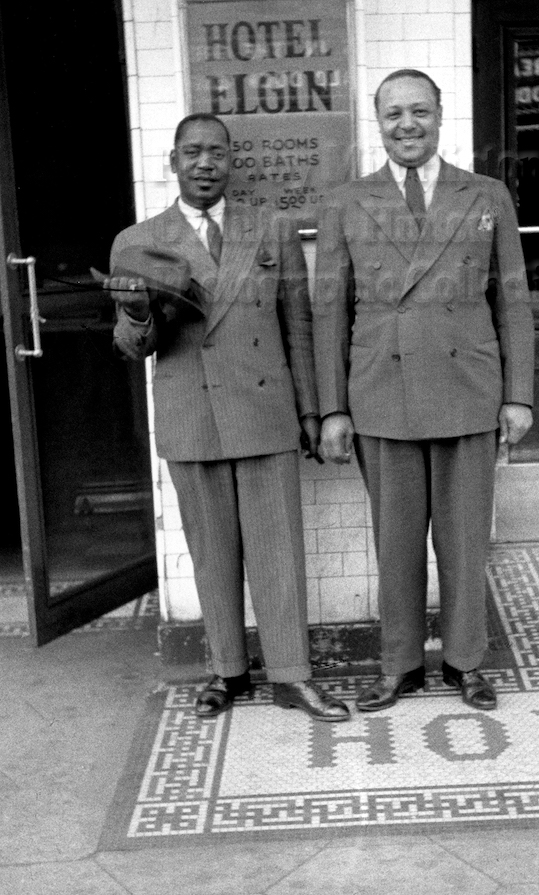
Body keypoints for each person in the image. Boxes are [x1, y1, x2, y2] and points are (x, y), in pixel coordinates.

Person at [106, 112, 349, 722]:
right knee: (211, 552)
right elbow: (133, 347)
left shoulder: (271, 228)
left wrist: (313, 413)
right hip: (193, 413)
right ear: (173, 162)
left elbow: (299, 324)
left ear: (231, 162)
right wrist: (138, 315)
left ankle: (292, 676)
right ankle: (227, 671)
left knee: (279, 552)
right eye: (193, 153)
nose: (205, 163)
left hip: (266, 413)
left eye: (216, 152)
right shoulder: (136, 242)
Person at [313, 70, 535, 712]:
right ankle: (401, 664)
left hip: (468, 388)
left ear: (441, 115)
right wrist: (333, 408)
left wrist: (518, 392)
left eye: (419, 111)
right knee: (397, 540)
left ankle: (466, 661)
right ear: (376, 122)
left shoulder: (487, 193)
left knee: (466, 540)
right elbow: (329, 311)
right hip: (383, 391)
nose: (406, 124)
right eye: (392, 114)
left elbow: (513, 299)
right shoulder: (345, 201)